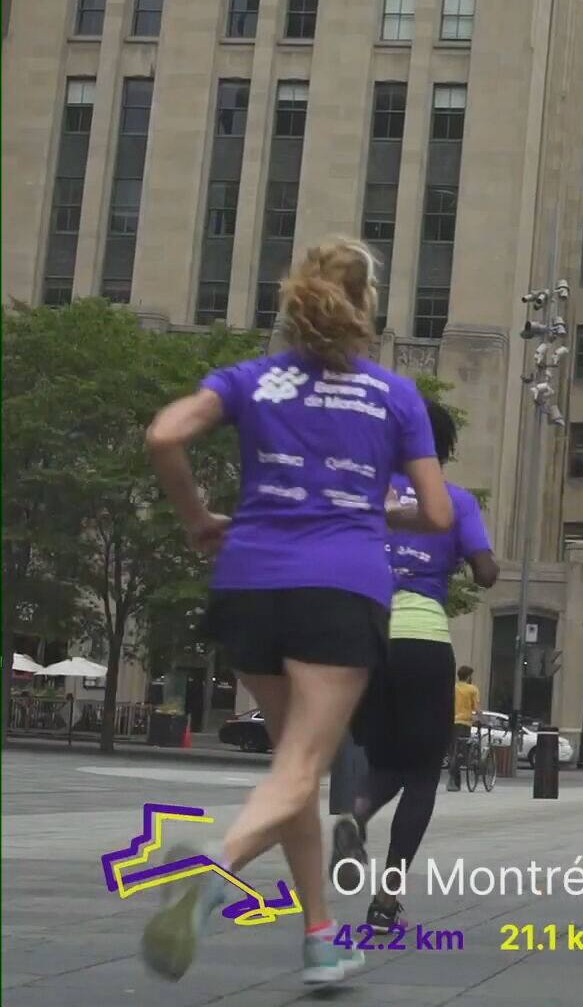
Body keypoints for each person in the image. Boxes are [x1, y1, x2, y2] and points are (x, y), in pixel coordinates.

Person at [140, 239, 451, 985]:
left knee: (294, 773)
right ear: (366, 304)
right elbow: (438, 513)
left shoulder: (251, 380)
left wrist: (196, 519)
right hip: (338, 591)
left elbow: (164, 435)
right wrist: (380, 510)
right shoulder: (393, 395)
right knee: (302, 767)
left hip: (249, 583)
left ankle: (320, 939)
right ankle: (217, 869)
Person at [330, 399, 497, 933]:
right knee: (422, 775)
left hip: (370, 639)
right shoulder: (455, 502)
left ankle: (356, 815)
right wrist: (456, 559)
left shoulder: (367, 496)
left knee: (385, 768)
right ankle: (385, 898)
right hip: (425, 640)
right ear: (442, 447)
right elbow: (488, 572)